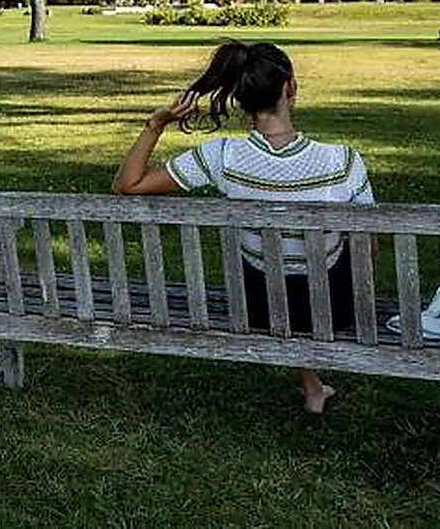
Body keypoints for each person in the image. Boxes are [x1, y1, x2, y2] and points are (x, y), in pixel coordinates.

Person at [113, 40, 373, 414]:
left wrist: (156, 124)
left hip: (258, 305)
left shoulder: (222, 157)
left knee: (279, 269)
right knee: (333, 255)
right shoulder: (343, 161)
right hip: (334, 306)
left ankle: (312, 388)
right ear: (290, 87)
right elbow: (369, 247)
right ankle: (313, 387)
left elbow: (128, 185)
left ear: (241, 99)